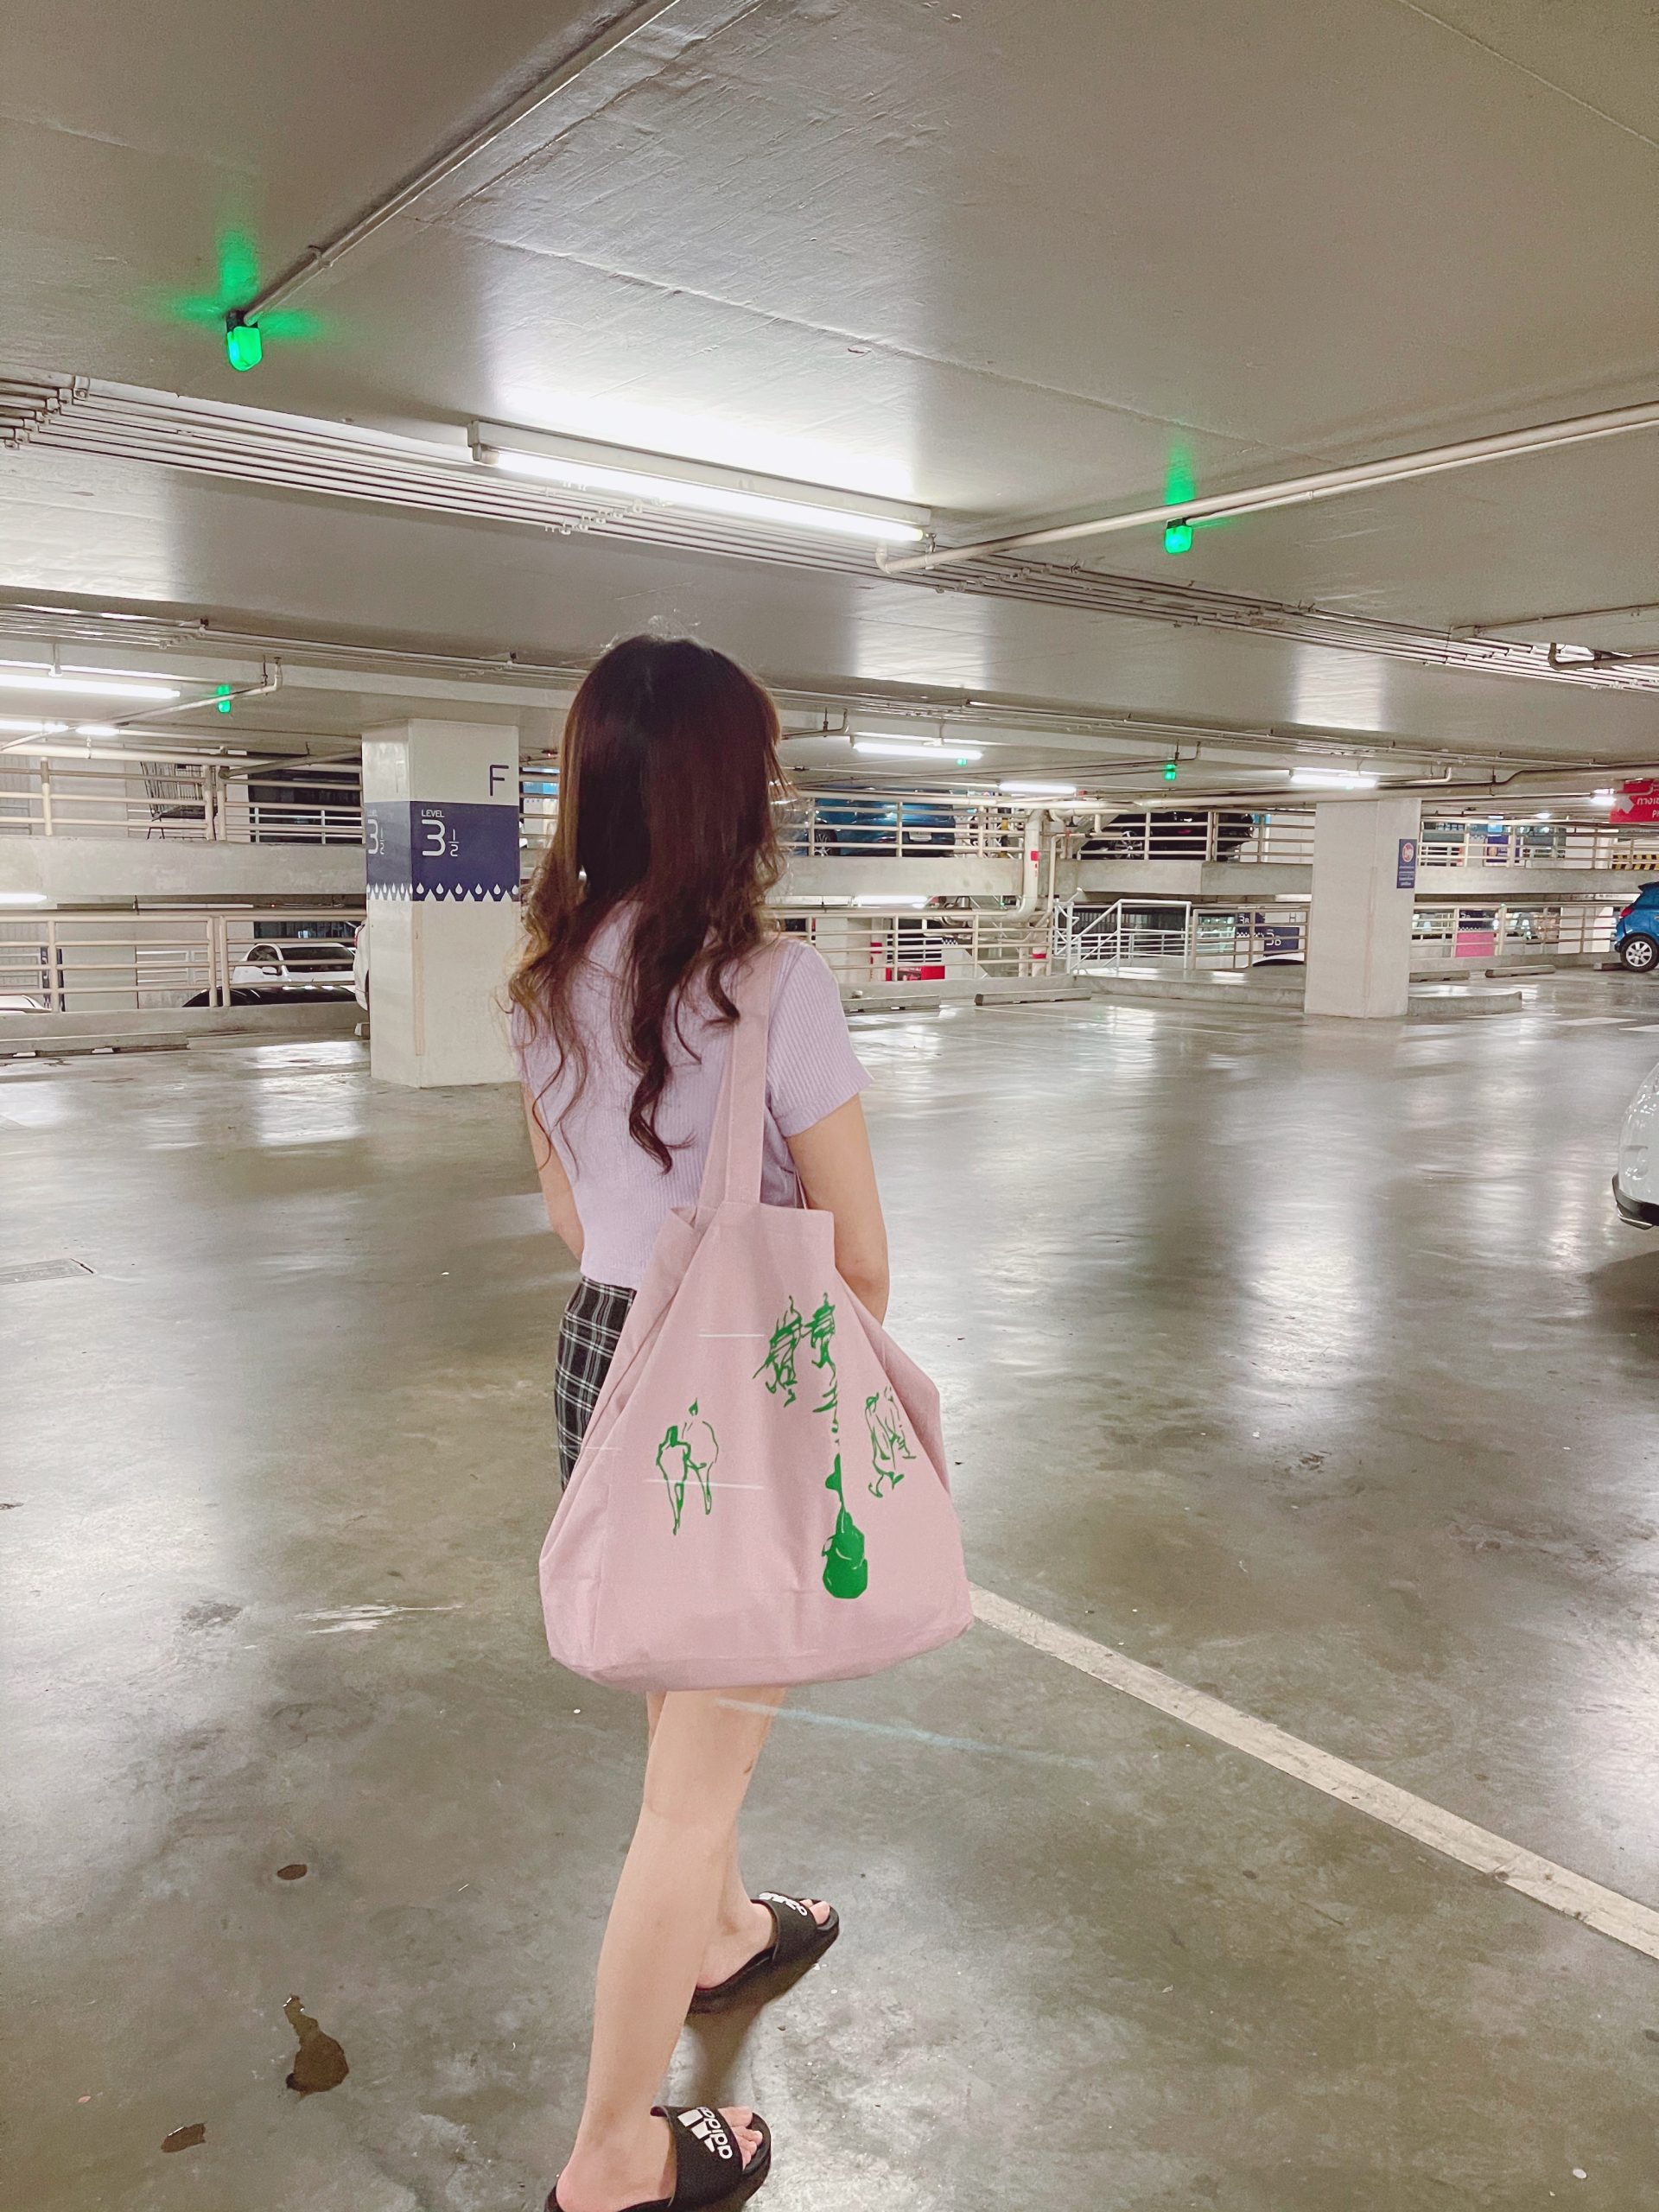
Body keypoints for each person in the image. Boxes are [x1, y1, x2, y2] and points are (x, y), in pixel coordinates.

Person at [510, 635, 891, 2212]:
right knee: (689, 1797)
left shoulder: (542, 981)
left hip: (605, 1354)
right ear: (731, 794)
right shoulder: (777, 984)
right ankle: (614, 2149)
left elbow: (570, 1217)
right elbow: (859, 1259)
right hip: (735, 1384)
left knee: (679, 1719)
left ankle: (726, 1935)